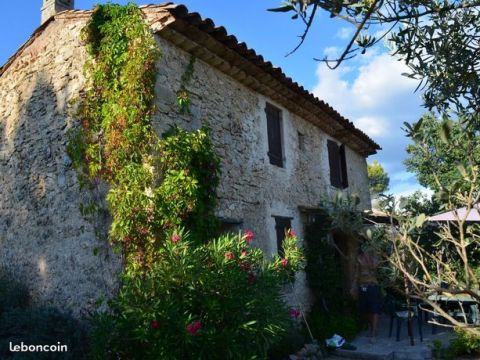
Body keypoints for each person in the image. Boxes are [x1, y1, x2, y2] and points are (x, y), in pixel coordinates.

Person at [354, 244, 382, 343]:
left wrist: (367, 257)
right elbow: (356, 274)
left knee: (374, 310)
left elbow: (373, 268)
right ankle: (373, 329)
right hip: (362, 286)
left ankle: (373, 333)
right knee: (366, 310)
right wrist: (354, 286)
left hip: (372, 286)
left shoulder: (374, 257)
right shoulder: (358, 259)